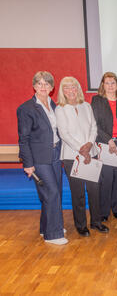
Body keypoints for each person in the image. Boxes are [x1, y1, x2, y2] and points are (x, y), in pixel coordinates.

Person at [17, 71, 67, 245]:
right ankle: (53, 234)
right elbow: (23, 139)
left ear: (52, 87)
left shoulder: (54, 106)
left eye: (47, 84)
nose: (43, 87)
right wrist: (28, 164)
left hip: (55, 154)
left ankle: (46, 226)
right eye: (39, 84)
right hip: (38, 158)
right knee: (51, 192)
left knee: (55, 191)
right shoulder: (26, 108)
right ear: (34, 86)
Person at [55, 77, 109, 236]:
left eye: (73, 87)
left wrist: (90, 145)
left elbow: (94, 127)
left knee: (94, 190)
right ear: (62, 91)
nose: (71, 90)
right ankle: (81, 225)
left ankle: (96, 222)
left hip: (91, 153)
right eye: (67, 88)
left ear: (78, 89)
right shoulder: (60, 109)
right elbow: (64, 133)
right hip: (72, 156)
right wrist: (81, 148)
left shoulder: (86, 106)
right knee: (77, 193)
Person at [91, 72, 117, 221]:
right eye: (107, 83)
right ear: (102, 85)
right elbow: (95, 125)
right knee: (106, 179)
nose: (110, 86)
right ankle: (104, 211)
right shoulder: (97, 101)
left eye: (113, 83)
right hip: (105, 143)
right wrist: (109, 141)